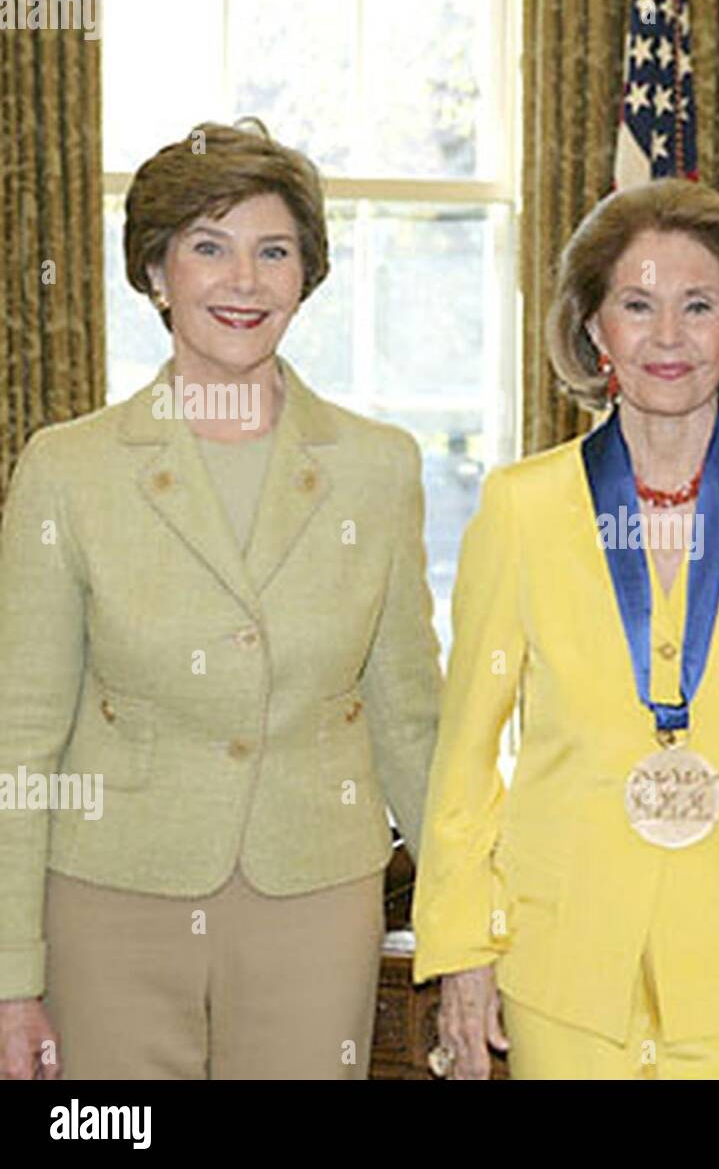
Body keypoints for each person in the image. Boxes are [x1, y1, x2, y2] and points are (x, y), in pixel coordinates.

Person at [412, 178, 719, 1080]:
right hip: (562, 969)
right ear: (594, 330)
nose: (668, 337)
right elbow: (465, 754)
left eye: (698, 306)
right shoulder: (519, 510)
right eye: (637, 305)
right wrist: (465, 947)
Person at [0, 120, 442, 1079]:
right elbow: (21, 739)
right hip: (109, 901)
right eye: (209, 246)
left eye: (272, 251)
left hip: (317, 897)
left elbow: (412, 718)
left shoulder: (378, 467)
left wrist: (464, 930)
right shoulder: (66, 469)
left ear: (304, 277)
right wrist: (9, 978)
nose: (244, 281)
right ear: (157, 273)